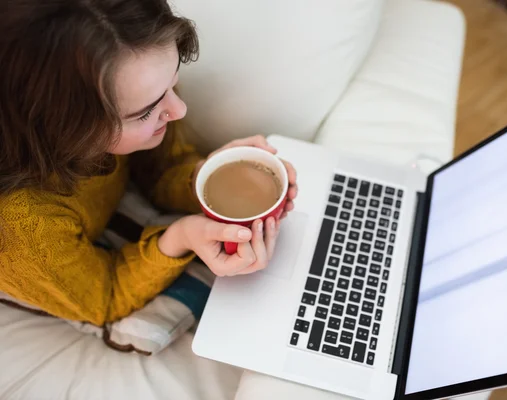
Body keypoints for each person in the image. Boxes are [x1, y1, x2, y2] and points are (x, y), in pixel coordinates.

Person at [0, 0, 297, 329]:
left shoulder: (137, 84)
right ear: (60, 128)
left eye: (173, 81)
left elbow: (160, 168)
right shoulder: (24, 229)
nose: (180, 109)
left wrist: (206, 176)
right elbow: (105, 297)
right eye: (145, 112)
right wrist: (178, 239)